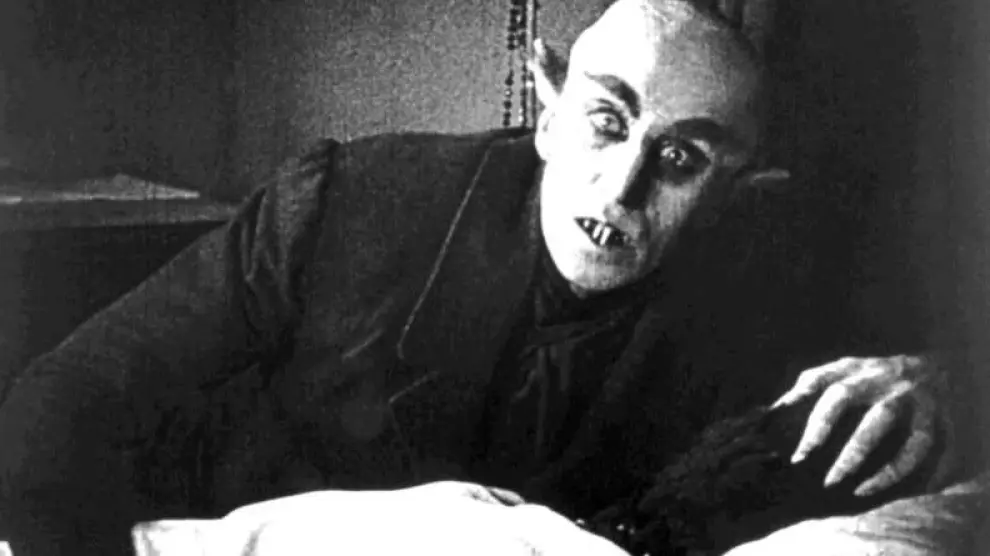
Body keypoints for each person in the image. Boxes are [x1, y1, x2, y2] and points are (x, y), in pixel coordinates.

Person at [0, 0, 983, 554]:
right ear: (548, 107)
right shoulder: (346, 203)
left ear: (732, 192)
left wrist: (948, 382)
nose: (624, 185)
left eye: (681, 158)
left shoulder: (766, 281)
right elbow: (65, 398)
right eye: (605, 120)